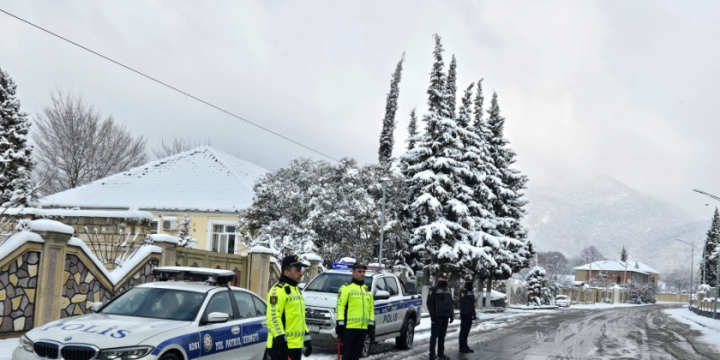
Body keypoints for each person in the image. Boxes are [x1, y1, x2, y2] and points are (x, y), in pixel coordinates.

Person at [266, 255, 312, 360]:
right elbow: (273, 318)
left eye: (301, 270)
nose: (301, 273)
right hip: (281, 348)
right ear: (287, 272)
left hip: (296, 346)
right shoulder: (277, 290)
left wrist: (307, 339)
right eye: (298, 270)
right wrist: (282, 343)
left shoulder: (296, 290)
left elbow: (300, 318)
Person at [336, 262, 375, 360]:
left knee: (356, 356)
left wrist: (371, 324)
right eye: (359, 271)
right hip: (349, 329)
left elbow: (371, 308)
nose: (362, 274)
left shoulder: (367, 290)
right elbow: (340, 306)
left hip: (362, 329)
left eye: (363, 271)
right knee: (347, 356)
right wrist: (340, 324)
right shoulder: (346, 288)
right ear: (353, 273)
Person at [427, 272, 453, 360]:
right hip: (437, 316)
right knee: (434, 336)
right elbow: (429, 303)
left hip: (445, 316)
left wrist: (451, 314)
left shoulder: (448, 289)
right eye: (442, 278)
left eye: (445, 278)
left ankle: (440, 353)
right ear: (438, 278)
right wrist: (432, 315)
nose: (444, 280)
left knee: (442, 336)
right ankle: (432, 354)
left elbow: (450, 303)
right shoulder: (433, 289)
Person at [458, 275, 477, 353]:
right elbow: (462, 304)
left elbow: (472, 304)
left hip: (469, 314)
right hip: (465, 314)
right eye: (469, 282)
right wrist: (464, 313)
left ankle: (465, 345)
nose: (470, 283)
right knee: (463, 331)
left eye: (471, 282)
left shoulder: (470, 291)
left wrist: (474, 313)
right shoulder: (463, 291)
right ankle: (461, 346)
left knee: (467, 331)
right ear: (466, 282)